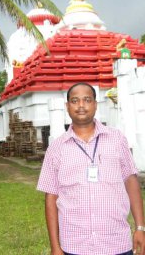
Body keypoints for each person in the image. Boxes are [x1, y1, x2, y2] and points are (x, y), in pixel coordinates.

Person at [37, 82, 145, 255]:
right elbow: (51, 197)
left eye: (87, 100)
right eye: (75, 100)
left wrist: (140, 227)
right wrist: (55, 246)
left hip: (116, 242)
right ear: (67, 106)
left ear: (95, 104)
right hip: (74, 245)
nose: (81, 105)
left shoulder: (116, 139)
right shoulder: (56, 148)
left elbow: (131, 181)